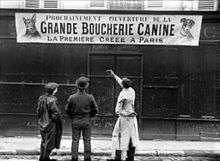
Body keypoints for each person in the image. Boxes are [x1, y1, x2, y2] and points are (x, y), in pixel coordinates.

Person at [107, 70, 139, 161]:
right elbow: (120, 82)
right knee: (130, 137)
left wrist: (120, 112)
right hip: (131, 117)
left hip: (125, 117)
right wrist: (114, 75)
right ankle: (128, 157)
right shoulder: (132, 90)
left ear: (123, 85)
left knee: (118, 136)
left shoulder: (123, 95)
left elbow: (117, 110)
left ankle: (118, 157)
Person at [65, 76, 99, 161]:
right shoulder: (90, 97)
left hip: (75, 121)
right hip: (86, 120)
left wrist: (72, 117)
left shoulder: (72, 97)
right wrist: (90, 116)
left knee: (75, 140)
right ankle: (87, 158)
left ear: (77, 85)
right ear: (86, 86)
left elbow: (67, 110)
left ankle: (74, 158)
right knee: (87, 140)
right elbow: (95, 109)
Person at [37, 82, 63, 161]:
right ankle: (46, 158)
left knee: (44, 141)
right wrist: (55, 120)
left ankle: (42, 157)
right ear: (53, 90)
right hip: (50, 124)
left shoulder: (41, 98)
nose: (57, 90)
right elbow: (56, 113)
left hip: (42, 122)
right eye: (56, 89)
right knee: (50, 142)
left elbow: (38, 111)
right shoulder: (52, 100)